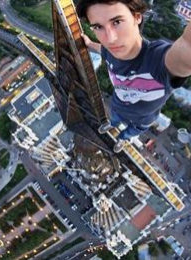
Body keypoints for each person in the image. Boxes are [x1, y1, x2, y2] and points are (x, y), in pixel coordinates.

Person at [76, 0, 191, 153]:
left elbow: (187, 47)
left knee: (130, 132)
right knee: (114, 120)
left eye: (117, 21)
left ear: (137, 17)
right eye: (98, 27)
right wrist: (90, 43)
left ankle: (124, 138)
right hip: (118, 107)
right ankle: (112, 125)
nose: (110, 39)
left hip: (143, 120)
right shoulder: (110, 52)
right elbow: (103, 49)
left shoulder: (157, 61)